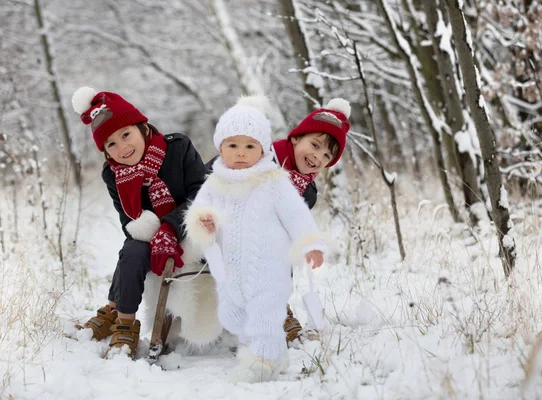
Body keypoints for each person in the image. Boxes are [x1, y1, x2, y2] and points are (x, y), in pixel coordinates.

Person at [185, 95, 333, 382]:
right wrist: (205, 221)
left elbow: (296, 215)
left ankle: (262, 362)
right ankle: (275, 352)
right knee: (232, 315)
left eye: (250, 146)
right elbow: (200, 211)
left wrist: (311, 244)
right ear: (221, 148)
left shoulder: (274, 180)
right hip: (231, 272)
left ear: (263, 150)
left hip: (269, 270)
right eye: (233, 146)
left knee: (264, 316)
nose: (241, 153)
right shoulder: (215, 182)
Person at [71, 87, 207, 358]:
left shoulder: (177, 147)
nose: (122, 147)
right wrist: (151, 231)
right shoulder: (113, 174)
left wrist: (169, 226)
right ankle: (124, 322)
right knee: (132, 250)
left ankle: (110, 309)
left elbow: (200, 194)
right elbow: (128, 223)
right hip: (149, 236)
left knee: (135, 244)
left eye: (125, 135)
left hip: (192, 224)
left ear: (142, 127)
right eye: (111, 144)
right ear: (106, 152)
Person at [204, 98, 351, 342]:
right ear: (295, 138)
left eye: (326, 156)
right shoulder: (262, 155)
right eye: (314, 145)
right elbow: (212, 172)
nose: (318, 157)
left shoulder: (307, 191)